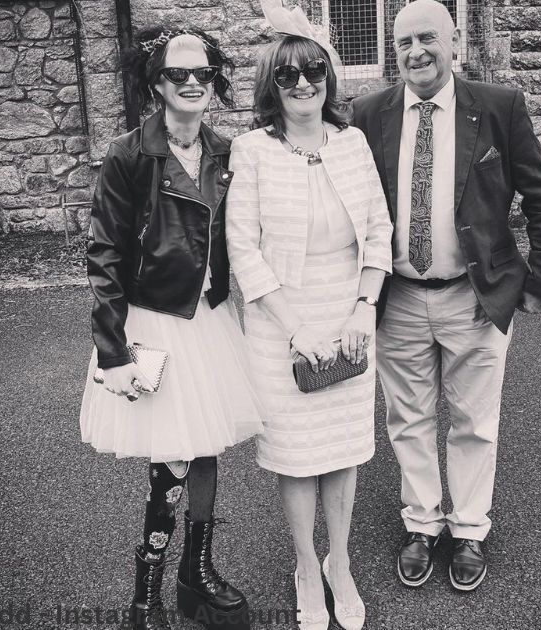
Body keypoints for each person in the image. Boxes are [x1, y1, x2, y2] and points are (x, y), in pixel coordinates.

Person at [349, 0, 541, 592]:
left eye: (428, 39)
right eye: (403, 43)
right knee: (408, 418)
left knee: (474, 420)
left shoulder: (499, 107)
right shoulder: (368, 114)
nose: (416, 52)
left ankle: (469, 528)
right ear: (393, 52)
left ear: (454, 43)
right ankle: (421, 524)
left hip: (476, 296)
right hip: (397, 298)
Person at [78, 27, 263, 630]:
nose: (191, 83)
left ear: (214, 81)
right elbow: (104, 253)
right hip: (154, 323)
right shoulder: (129, 154)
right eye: (178, 74)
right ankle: (145, 596)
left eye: (202, 74)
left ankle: (197, 572)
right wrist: (114, 350)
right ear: (156, 83)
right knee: (172, 459)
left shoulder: (226, 152)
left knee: (206, 445)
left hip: (209, 317)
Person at [225, 34, 392, 630]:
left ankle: (339, 562)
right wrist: (295, 330)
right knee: (298, 458)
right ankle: (305, 568)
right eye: (288, 74)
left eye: (314, 70)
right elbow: (243, 249)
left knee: (342, 450)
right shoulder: (253, 150)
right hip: (280, 323)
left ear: (330, 77)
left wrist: (362, 307)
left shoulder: (352, 143)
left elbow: (378, 231)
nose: (303, 83)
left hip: (346, 312)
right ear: (272, 85)